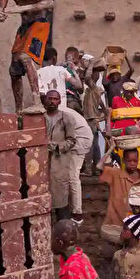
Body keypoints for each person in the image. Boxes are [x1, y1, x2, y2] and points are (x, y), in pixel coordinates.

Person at [0, 0, 55, 113]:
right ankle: (18, 109)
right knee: (14, 71)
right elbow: (2, 7)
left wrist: (20, 8)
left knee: (25, 57)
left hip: (39, 23)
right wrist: (1, 14)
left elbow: (49, 3)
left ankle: (36, 100)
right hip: (24, 27)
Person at [44, 89, 92, 223]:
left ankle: (69, 220)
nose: (52, 101)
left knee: (62, 192)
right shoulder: (41, 117)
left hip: (60, 160)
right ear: (45, 100)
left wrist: (56, 146)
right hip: (44, 161)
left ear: (59, 101)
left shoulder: (66, 118)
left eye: (55, 99)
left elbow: (71, 141)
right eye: (50, 98)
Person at [97, 145, 140, 244]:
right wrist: (111, 148)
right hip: (115, 225)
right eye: (129, 161)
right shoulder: (116, 174)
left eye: (135, 161)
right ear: (123, 161)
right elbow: (99, 166)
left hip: (135, 226)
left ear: (138, 160)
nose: (132, 164)